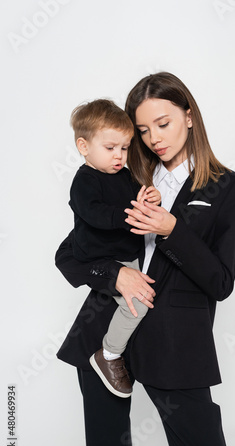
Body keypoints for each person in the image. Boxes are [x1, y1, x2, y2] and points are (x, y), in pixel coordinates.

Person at [55, 72, 235, 446]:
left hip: (177, 344)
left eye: (162, 123)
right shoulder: (123, 176)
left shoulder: (229, 188)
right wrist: (115, 275)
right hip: (103, 336)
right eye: (142, 130)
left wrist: (172, 229)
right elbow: (67, 256)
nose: (153, 138)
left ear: (190, 116)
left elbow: (220, 282)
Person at [67, 98, 161, 397]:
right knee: (137, 306)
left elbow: (136, 199)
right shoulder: (84, 180)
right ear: (84, 146)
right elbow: (94, 213)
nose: (119, 155)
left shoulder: (124, 174)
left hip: (123, 253)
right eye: (110, 148)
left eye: (125, 147)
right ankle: (108, 355)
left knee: (141, 301)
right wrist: (127, 215)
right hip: (99, 256)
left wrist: (149, 199)